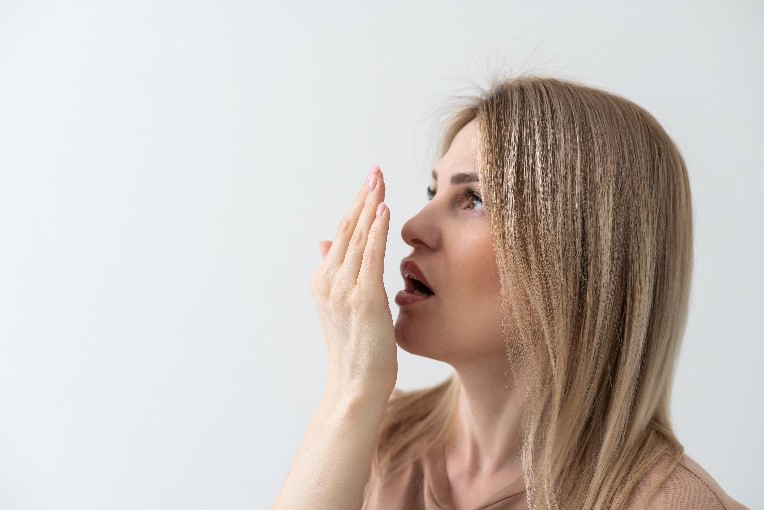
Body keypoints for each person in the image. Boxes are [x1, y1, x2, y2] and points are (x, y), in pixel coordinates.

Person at [272, 77, 747, 509]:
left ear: (579, 256)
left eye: (473, 199)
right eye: (433, 191)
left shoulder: (671, 503)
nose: (413, 226)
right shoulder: (372, 439)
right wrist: (352, 391)